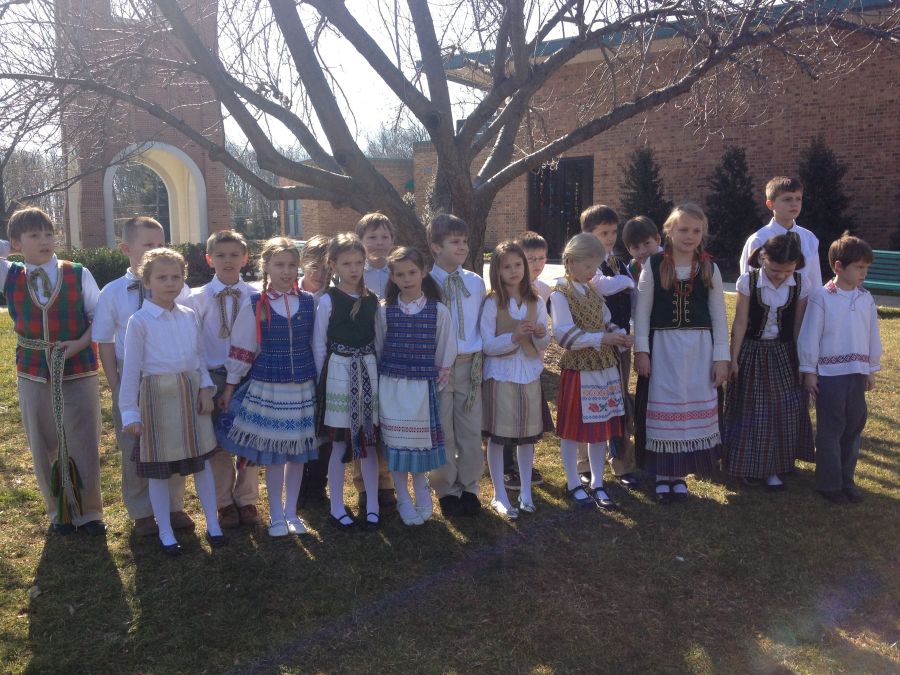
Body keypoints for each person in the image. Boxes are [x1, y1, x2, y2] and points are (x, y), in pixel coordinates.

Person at [1, 207, 105, 536]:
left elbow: (100, 318)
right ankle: (58, 512)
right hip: (33, 370)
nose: (45, 241)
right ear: (17, 242)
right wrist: (10, 248)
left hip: (78, 366)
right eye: (34, 235)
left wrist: (80, 344)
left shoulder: (77, 273)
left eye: (49, 234)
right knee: (42, 439)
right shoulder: (10, 274)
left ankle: (89, 512)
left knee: (83, 438)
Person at [119, 248, 224, 555]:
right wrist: (130, 412)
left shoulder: (189, 315)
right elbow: (131, 370)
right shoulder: (139, 321)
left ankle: (213, 524)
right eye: (162, 277)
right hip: (158, 398)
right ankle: (165, 530)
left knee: (202, 462)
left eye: (175, 277)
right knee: (159, 468)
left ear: (183, 279)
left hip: (191, 394)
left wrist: (205, 389)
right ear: (147, 281)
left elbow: (199, 357)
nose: (169, 283)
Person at [93, 216, 193, 537]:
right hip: (131, 377)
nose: (156, 250)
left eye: (161, 244)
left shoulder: (179, 288)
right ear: (126, 248)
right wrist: (116, 383)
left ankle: (174, 505)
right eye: (148, 245)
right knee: (134, 445)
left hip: (169, 375)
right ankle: (141, 511)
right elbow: (105, 341)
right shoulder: (112, 292)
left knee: (172, 438)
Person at [217, 238, 318, 537]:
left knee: (297, 453)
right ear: (266, 267)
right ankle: (275, 515)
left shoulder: (310, 302)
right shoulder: (256, 304)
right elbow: (242, 349)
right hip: (270, 385)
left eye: (291, 265)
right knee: (275, 454)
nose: (286, 271)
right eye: (279, 265)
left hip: (302, 386)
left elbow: (317, 344)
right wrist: (230, 386)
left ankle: (292, 513)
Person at [633, 203, 730, 504]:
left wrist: (721, 357)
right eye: (683, 230)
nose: (690, 236)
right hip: (663, 350)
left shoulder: (709, 268)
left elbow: (719, 315)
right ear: (669, 231)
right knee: (666, 405)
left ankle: (681, 474)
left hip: (700, 351)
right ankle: (663, 475)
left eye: (696, 231)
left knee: (691, 407)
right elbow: (642, 313)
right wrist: (641, 351)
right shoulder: (654, 265)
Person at [723, 234, 814, 489]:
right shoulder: (749, 281)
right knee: (754, 410)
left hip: (784, 352)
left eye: (787, 271)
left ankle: (777, 466)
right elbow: (740, 322)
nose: (780, 276)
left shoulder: (800, 283)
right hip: (752, 351)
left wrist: (803, 362)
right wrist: (733, 358)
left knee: (785, 410)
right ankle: (750, 466)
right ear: (764, 258)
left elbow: (798, 326)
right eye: (775, 270)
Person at [550, 233, 633, 511]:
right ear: (570, 262)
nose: (592, 272)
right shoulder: (560, 293)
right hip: (579, 369)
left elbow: (606, 321)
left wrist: (619, 336)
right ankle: (573, 481)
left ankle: (598, 481)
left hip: (603, 367)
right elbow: (563, 334)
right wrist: (601, 338)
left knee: (600, 427)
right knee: (573, 430)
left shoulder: (593, 290)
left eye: (595, 266)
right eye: (587, 266)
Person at [799, 232, 882, 504]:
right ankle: (829, 483)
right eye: (859, 267)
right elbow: (810, 336)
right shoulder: (822, 297)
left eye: (866, 268)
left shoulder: (866, 298)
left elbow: (872, 335)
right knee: (831, 430)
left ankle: (847, 480)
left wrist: (870, 369)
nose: (863, 273)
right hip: (830, 375)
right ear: (838, 267)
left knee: (853, 428)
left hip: (857, 374)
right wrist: (809, 371)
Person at [376, 247, 455, 526]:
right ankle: (403, 497)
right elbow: (379, 347)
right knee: (396, 445)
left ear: (423, 272)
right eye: (400, 274)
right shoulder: (385, 310)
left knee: (418, 444)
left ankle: (422, 491)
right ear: (392, 277)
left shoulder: (438, 311)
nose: (407, 278)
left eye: (412, 272)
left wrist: (435, 383)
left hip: (422, 387)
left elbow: (445, 350)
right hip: (392, 387)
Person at [184, 230, 258, 529]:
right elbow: (194, 346)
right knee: (217, 442)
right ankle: (224, 502)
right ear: (209, 259)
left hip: (249, 376)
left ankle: (247, 498)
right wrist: (204, 383)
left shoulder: (256, 295)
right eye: (221, 255)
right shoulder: (196, 298)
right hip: (213, 376)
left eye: (234, 255)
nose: (228, 261)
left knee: (249, 436)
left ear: (245, 258)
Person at [313, 233, 381, 529]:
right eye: (347, 263)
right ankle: (337, 505)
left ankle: (373, 503)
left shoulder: (372, 300)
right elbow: (319, 343)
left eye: (358, 263)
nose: (354, 269)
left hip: (367, 371)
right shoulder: (328, 300)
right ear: (333, 265)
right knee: (339, 443)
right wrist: (321, 381)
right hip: (338, 374)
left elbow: (378, 339)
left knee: (368, 441)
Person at [481, 241, 552, 519]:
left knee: (526, 437)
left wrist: (539, 334)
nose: (513, 271)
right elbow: (487, 345)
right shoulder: (492, 303)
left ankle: (525, 491)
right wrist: (513, 337)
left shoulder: (536, 301)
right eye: (506, 266)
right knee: (498, 437)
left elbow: (544, 341)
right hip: (500, 375)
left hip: (529, 374)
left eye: (518, 264)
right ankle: (499, 493)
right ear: (497, 272)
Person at [427, 214, 487, 518]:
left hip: (469, 364)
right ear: (436, 246)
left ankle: (470, 486)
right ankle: (446, 489)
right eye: (454, 242)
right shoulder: (426, 283)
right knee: (442, 431)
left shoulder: (475, 282)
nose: (462, 247)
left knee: (470, 428)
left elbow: (481, 323)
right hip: (438, 366)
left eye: (465, 241)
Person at [581, 205, 640, 490]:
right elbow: (601, 286)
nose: (610, 237)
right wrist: (626, 282)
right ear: (588, 234)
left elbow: (632, 297)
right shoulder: (584, 263)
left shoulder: (618, 262)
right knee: (590, 402)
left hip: (621, 343)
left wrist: (630, 333)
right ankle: (584, 464)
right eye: (603, 232)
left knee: (619, 401)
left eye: (613, 232)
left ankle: (621, 462)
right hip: (593, 345)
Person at [501, 230, 551, 492]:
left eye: (542, 258)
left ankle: (524, 464)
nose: (537, 264)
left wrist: (542, 335)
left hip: (533, 363)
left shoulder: (544, 291)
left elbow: (544, 331)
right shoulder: (501, 294)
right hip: (507, 363)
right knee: (507, 416)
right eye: (531, 258)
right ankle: (506, 466)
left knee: (528, 417)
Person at [354, 213, 398, 511]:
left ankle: (388, 483)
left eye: (384, 237)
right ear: (360, 241)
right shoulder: (355, 274)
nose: (379, 243)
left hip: (394, 357)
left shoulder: (400, 271)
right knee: (364, 423)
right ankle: (363, 484)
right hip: (362, 356)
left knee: (389, 423)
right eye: (372, 237)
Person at [296, 234, 333, 508]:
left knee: (323, 430)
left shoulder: (334, 298)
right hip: (295, 372)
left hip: (326, 373)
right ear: (303, 263)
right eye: (315, 267)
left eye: (327, 268)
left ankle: (317, 485)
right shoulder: (289, 294)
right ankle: (298, 486)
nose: (320, 275)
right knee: (299, 429)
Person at [739, 176, 822, 289]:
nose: (794, 204)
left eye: (798, 199)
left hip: (803, 299)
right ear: (770, 204)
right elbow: (749, 282)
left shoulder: (809, 238)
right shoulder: (758, 239)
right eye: (787, 199)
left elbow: (815, 280)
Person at [621, 216, 663, 280]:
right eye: (635, 247)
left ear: (657, 240)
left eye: (647, 243)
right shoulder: (633, 269)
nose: (642, 251)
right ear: (629, 250)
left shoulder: (672, 263)